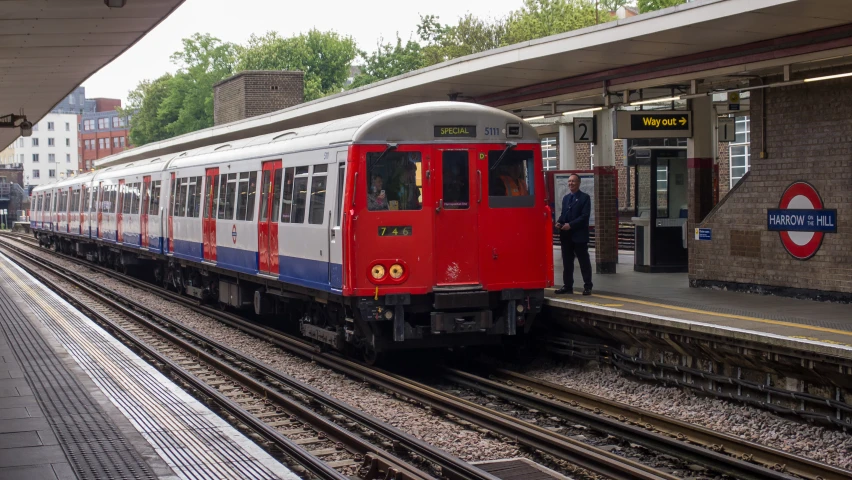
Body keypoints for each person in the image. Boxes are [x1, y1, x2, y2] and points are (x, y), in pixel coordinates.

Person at [555, 174, 592, 295]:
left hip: (579, 236)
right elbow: (564, 214)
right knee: (567, 262)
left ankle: (587, 286)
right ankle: (567, 286)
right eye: (569, 181)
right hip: (566, 237)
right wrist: (559, 222)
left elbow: (584, 216)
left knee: (584, 262)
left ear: (579, 183)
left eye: (573, 181)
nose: (570, 183)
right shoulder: (566, 198)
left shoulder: (585, 198)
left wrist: (570, 225)